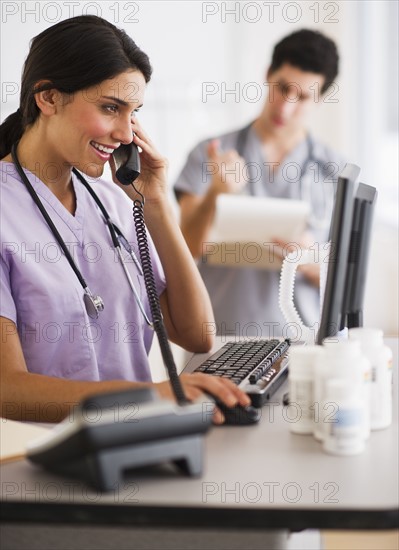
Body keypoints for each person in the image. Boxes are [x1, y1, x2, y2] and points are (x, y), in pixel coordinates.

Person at [0, 15, 251, 423]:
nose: (126, 134)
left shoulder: (115, 201)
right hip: (37, 467)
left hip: (137, 446)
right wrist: (148, 396)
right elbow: (6, 388)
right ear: (47, 98)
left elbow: (197, 334)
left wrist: (155, 205)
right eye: (110, 108)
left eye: (132, 113)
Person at [174, 29, 346, 339]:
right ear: (268, 75)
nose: (286, 107)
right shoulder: (211, 152)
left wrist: (308, 261)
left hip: (304, 343)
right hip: (222, 340)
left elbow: (347, 283)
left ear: (320, 99)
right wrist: (216, 193)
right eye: (282, 88)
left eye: (303, 97)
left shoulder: (336, 172)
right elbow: (184, 250)